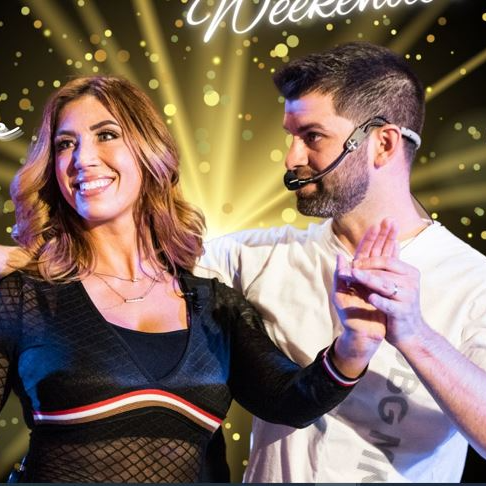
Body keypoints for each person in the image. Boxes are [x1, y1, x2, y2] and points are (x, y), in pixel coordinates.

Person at [0, 75, 380, 483]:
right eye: (64, 144)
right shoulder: (24, 297)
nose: (83, 158)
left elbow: (289, 400)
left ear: (149, 149)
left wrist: (355, 345)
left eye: (106, 135)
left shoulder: (215, 306)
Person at [196, 42, 486, 482]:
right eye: (291, 136)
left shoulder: (472, 279)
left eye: (312, 136)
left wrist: (414, 333)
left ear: (383, 143)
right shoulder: (252, 257)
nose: (292, 158)